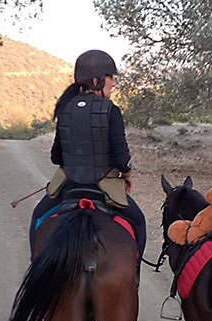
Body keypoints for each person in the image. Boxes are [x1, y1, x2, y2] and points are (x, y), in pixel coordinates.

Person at [29, 49, 146, 261]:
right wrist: (127, 174)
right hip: (104, 188)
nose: (113, 83)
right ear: (96, 80)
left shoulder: (64, 109)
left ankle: (35, 263)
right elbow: (122, 158)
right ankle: (134, 273)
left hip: (70, 187)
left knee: (37, 217)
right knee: (138, 222)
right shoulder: (111, 110)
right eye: (110, 78)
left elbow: (56, 157)